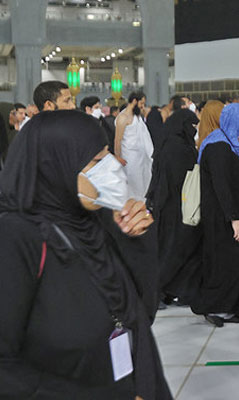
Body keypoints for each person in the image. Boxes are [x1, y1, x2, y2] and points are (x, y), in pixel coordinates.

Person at [0, 110, 171, 399]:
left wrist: (136, 241)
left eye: (107, 156)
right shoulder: (16, 239)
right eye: (95, 161)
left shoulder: (93, 224)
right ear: (54, 167)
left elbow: (140, 313)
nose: (112, 167)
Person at [190, 103, 239, 327]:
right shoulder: (218, 147)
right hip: (223, 218)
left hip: (230, 215)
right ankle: (213, 306)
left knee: (236, 262)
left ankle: (233, 308)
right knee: (228, 263)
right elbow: (221, 186)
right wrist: (234, 218)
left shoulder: (226, 144)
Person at [148, 109, 202, 306]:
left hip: (171, 204)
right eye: (192, 126)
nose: (194, 130)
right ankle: (158, 292)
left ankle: (172, 290)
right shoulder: (177, 147)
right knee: (174, 249)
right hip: (175, 205)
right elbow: (181, 177)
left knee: (175, 248)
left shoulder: (170, 142)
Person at [115, 91, 154, 201]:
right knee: (133, 185)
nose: (142, 107)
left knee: (143, 183)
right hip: (129, 158)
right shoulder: (123, 117)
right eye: (141, 103)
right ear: (134, 101)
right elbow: (117, 140)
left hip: (141, 157)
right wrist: (118, 156)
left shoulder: (137, 117)